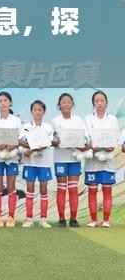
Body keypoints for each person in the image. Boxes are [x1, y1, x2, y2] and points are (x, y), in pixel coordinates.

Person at [52, 92, 88, 228]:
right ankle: (61, 219)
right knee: (61, 189)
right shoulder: (55, 121)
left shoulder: (78, 120)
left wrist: (81, 143)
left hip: (74, 159)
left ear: (72, 104)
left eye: (68, 101)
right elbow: (51, 139)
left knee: (73, 189)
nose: (66, 104)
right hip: (60, 158)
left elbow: (85, 138)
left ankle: (73, 218)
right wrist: (56, 141)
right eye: (63, 102)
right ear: (59, 105)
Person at [84, 90, 119, 228]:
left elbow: (115, 139)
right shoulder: (88, 119)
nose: (99, 103)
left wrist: (110, 146)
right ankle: (93, 220)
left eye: (102, 100)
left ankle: (106, 221)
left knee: (107, 191)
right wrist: (91, 146)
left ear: (106, 103)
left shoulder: (112, 119)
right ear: (93, 103)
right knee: (92, 191)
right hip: (92, 162)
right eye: (96, 101)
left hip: (107, 162)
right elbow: (86, 139)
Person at [19, 100, 53, 228]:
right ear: (31, 112)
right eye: (35, 110)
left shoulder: (48, 127)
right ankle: (29, 218)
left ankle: (43, 219)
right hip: (30, 163)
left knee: (44, 190)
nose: (37, 112)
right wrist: (28, 148)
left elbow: (48, 142)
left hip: (44, 163)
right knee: (30, 190)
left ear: (43, 112)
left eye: (40, 110)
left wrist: (32, 149)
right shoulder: (26, 126)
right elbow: (21, 141)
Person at [0, 91, 21, 228]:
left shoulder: (16, 120)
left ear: (10, 103)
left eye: (5, 100)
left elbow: (20, 138)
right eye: (0, 101)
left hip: (12, 157)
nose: (3, 103)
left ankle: (11, 217)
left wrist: (12, 145)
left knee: (11, 187)